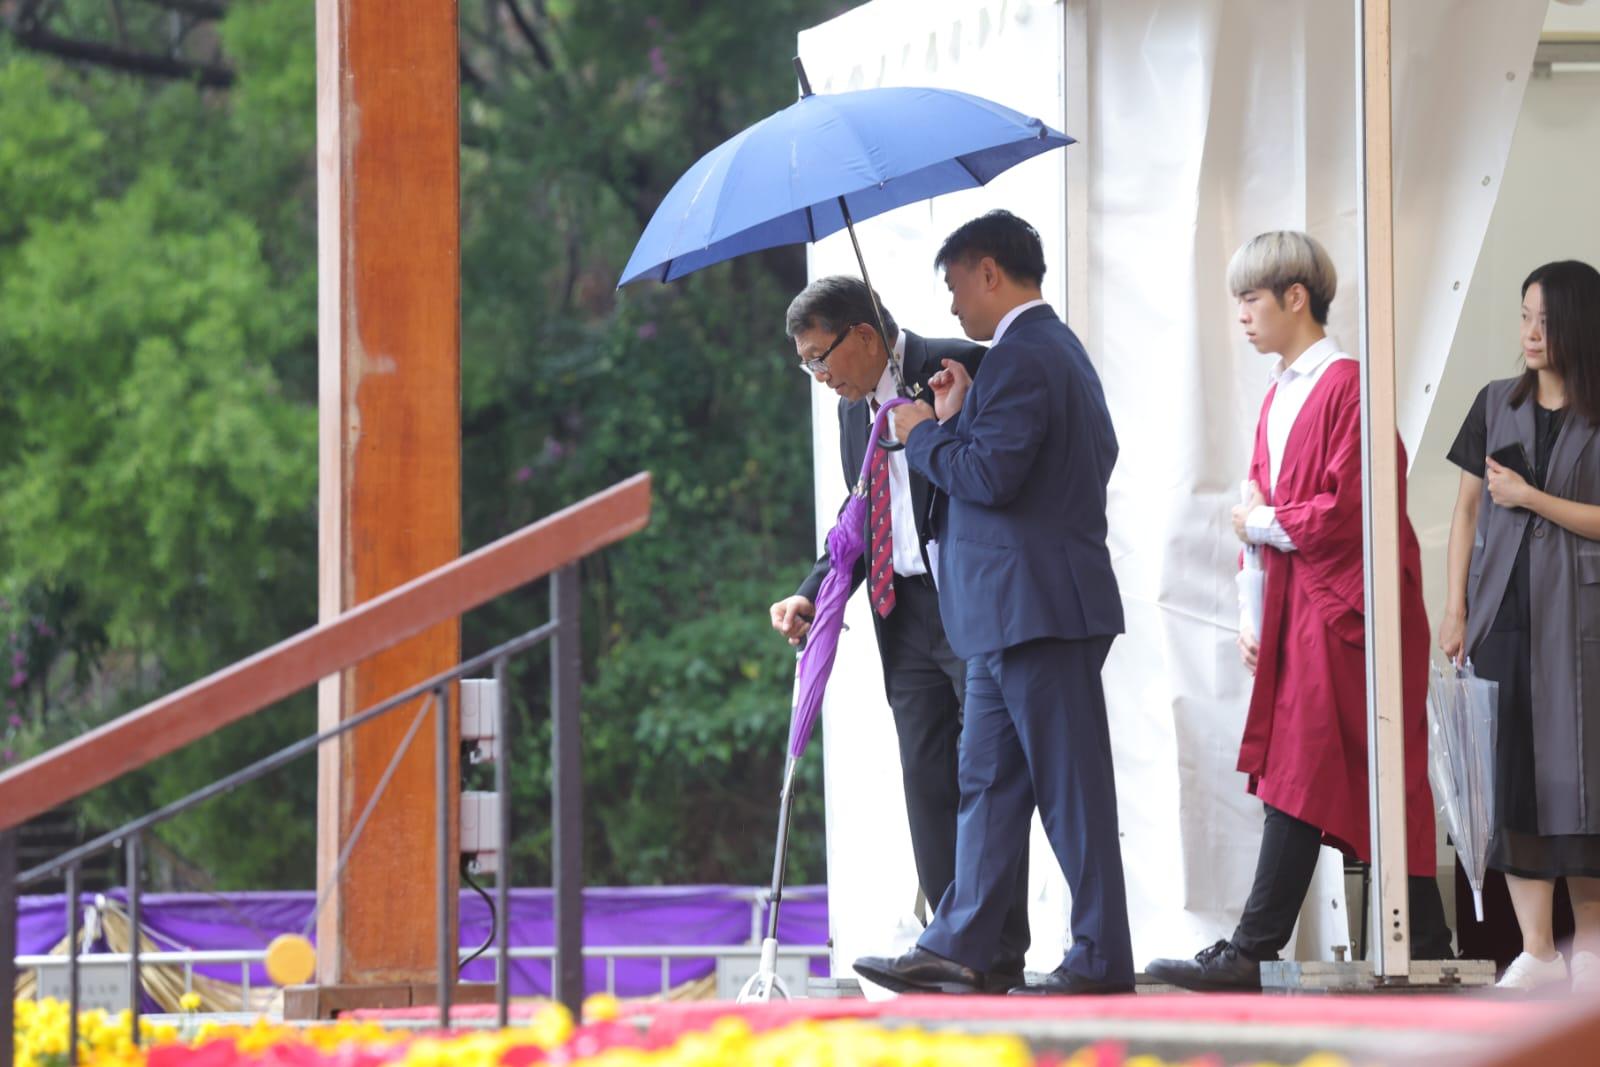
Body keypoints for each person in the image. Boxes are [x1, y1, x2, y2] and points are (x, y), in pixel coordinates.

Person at [1146, 231, 1454, 993]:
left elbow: (1351, 507)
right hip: (1305, 605)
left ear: (1296, 298)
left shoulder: (1346, 384)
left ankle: (1254, 945)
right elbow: (1263, 508)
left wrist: (1259, 527)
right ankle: (1433, 938)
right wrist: (1256, 612)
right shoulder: (1284, 391)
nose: (1241, 315)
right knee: (1360, 769)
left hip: (1351, 605)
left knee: (1311, 763)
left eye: (1251, 298)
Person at [852, 210, 1134, 996]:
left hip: (1034, 608)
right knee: (987, 784)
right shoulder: (1050, 353)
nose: (950, 309)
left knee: (1070, 792)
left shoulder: (1024, 354)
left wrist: (922, 436)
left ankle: (1100, 957)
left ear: (988, 271)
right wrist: (962, 412)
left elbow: (989, 477)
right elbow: (1063, 456)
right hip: (1012, 609)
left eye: (952, 285)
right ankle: (961, 940)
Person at [770, 275, 1030, 989]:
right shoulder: (854, 409)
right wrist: (808, 592)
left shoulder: (957, 365)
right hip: (899, 609)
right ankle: (950, 944)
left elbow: (996, 479)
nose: (818, 378)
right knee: (928, 778)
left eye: (820, 358)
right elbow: (855, 517)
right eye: (806, 366)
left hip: (970, 603)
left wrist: (933, 426)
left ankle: (1001, 944)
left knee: (990, 772)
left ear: (862, 335)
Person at [1439, 259, 1600, 993]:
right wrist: (1455, 607)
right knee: (1511, 780)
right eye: (1525, 316)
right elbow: (1467, 511)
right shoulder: (1493, 404)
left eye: (1547, 319)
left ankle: (1590, 950)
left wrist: (1533, 497)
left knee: (1583, 779)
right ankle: (1538, 952)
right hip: (1504, 613)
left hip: (1582, 620)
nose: (1532, 334)